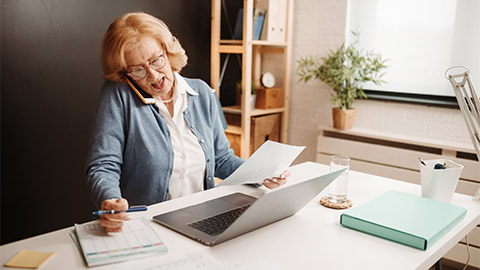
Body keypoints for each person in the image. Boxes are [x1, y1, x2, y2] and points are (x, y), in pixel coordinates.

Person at [85, 12, 289, 232]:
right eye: (138, 70)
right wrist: (110, 200)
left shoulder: (202, 91)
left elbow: (221, 159)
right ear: (125, 73)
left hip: (203, 221)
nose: (153, 75)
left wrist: (262, 172)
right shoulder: (118, 96)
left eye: (156, 60)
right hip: (146, 226)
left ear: (167, 50)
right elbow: (103, 166)